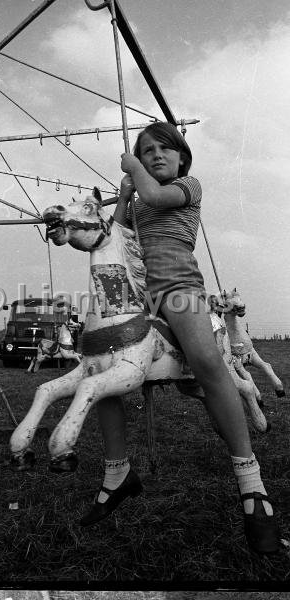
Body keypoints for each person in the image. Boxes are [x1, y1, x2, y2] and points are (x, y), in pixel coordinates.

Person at [79, 121, 281, 554]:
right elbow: (116, 235)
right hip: (136, 292)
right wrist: (124, 197)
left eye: (163, 149)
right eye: (146, 150)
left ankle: (251, 482)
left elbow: (155, 194)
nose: (154, 155)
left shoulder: (189, 186)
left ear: (182, 157)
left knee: (208, 365)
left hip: (177, 289)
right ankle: (117, 471)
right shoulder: (138, 200)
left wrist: (135, 172)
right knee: (103, 364)